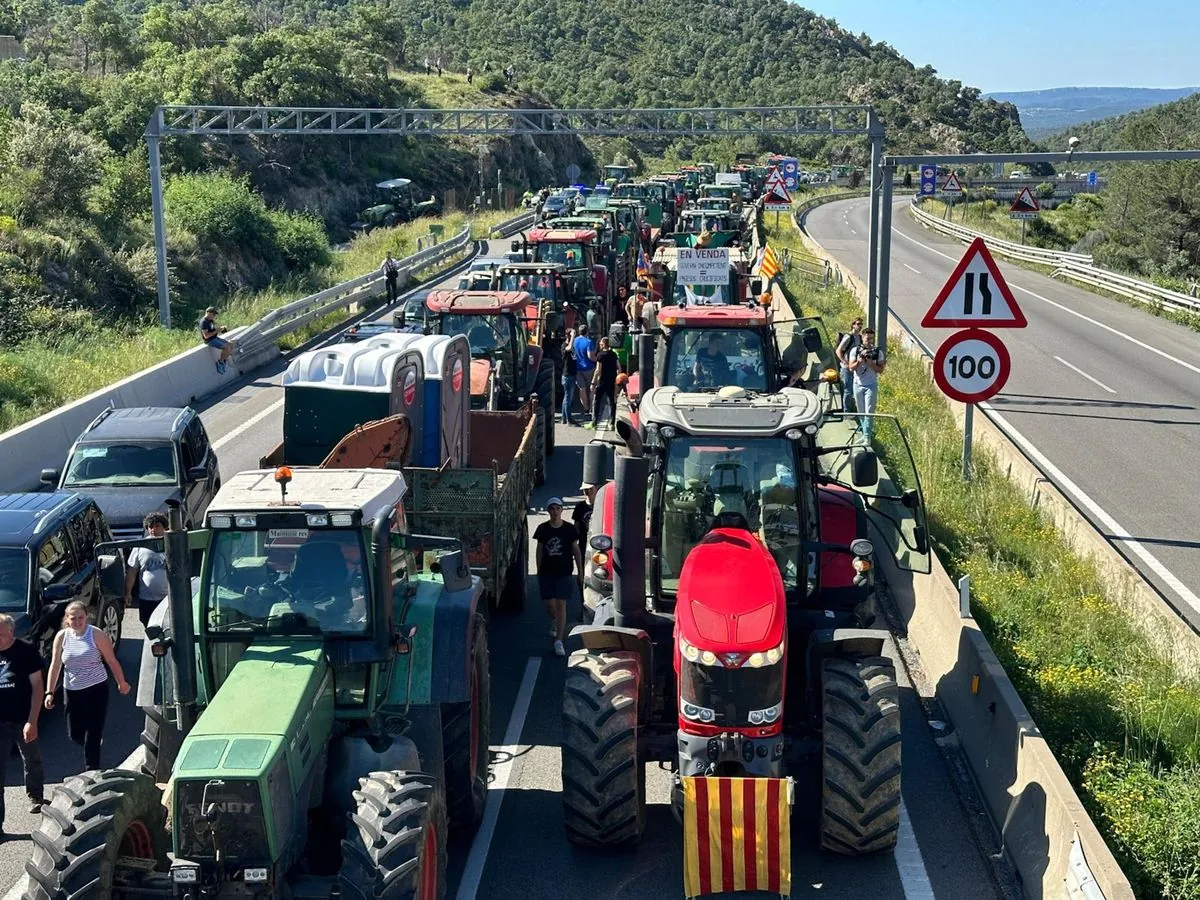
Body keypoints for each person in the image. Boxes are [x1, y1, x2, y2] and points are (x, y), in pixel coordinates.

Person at [45, 601, 131, 771]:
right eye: (73, 618)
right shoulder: (62, 637)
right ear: (67, 620)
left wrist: (121, 682)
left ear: (86, 617)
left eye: (80, 618)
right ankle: (92, 744)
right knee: (75, 733)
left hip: (96, 688)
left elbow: (111, 660)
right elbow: (55, 665)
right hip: (72, 690)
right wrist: (49, 692)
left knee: (93, 731)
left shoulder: (96, 635)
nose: (77, 621)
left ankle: (92, 770)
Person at [0, 614, 45, 826]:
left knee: (31, 760)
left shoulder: (25, 651)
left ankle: (35, 795)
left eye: (0, 634)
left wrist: (32, 720)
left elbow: (37, 686)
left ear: (11, 631)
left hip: (22, 718)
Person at [533, 499, 582, 657]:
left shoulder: (569, 529)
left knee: (562, 605)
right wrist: (538, 569)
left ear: (562, 510)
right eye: (552, 509)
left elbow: (576, 550)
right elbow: (539, 550)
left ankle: (559, 641)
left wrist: (580, 572)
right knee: (549, 605)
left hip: (564, 572)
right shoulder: (543, 529)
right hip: (547, 572)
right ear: (548, 511)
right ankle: (555, 620)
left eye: (557, 508)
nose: (555, 512)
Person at [126, 512, 168, 628]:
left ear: (164, 527)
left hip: (167, 598)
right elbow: (132, 571)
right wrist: (128, 593)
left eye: (157, 526)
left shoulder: (172, 544)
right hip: (146, 599)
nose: (153, 529)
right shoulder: (140, 546)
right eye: (150, 527)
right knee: (149, 626)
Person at [848, 327, 886, 442]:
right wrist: (859, 361)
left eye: (871, 339)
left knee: (869, 411)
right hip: (858, 384)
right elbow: (851, 368)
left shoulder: (877, 352)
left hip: (871, 384)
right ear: (862, 338)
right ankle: (865, 433)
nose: (869, 341)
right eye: (867, 338)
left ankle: (867, 436)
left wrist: (870, 363)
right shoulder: (855, 351)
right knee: (861, 411)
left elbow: (880, 370)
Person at [590, 337, 620, 430]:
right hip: (611, 380)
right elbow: (619, 367)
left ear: (603, 345)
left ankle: (594, 422)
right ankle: (611, 423)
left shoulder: (600, 355)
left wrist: (593, 382)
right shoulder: (614, 354)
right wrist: (617, 380)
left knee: (597, 401)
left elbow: (598, 370)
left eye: (600, 344)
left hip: (602, 381)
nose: (599, 345)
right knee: (612, 401)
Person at [835, 317, 864, 412]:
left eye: (861, 324)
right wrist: (845, 362)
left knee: (854, 388)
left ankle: (853, 407)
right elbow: (838, 350)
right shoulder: (848, 337)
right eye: (858, 324)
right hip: (847, 367)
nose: (860, 326)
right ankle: (846, 411)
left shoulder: (860, 338)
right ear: (853, 325)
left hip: (855, 366)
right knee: (848, 389)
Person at [199, 306, 234, 374]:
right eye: (213, 314)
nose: (214, 316)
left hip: (215, 338)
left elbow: (213, 329)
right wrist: (216, 331)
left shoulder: (210, 320)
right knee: (226, 347)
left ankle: (223, 360)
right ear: (208, 313)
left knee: (230, 345)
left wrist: (222, 329)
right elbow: (206, 336)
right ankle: (220, 363)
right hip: (210, 340)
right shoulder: (204, 322)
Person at [572, 326, 597, 419]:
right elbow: (590, 356)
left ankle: (585, 408)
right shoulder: (589, 342)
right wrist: (597, 359)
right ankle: (591, 408)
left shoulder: (575, 341)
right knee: (592, 387)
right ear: (587, 332)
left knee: (581, 389)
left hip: (578, 368)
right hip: (589, 368)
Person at [573, 480, 598, 547]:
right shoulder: (579, 506)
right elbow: (577, 526)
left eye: (591, 489)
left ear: (596, 489)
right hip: (583, 540)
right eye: (586, 489)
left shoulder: (601, 504)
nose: (588, 491)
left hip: (598, 539)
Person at [561, 328, 578, 426]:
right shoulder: (564, 346)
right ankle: (569, 419)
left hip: (573, 374)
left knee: (567, 398)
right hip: (567, 375)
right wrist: (572, 337)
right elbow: (569, 348)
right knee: (568, 398)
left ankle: (564, 417)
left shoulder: (572, 345)